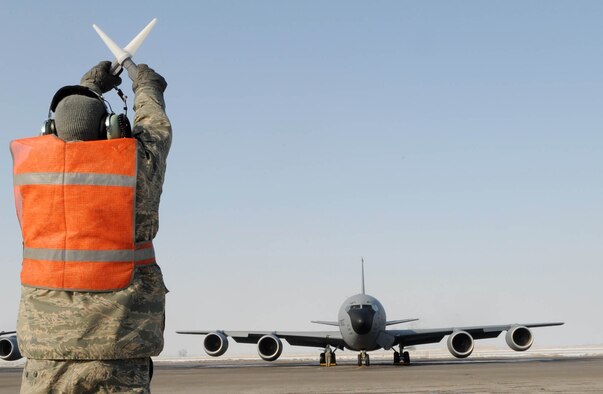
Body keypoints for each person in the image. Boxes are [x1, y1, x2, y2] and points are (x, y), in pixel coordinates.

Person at [11, 60, 171, 393]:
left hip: (44, 350)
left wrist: (89, 87)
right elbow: (155, 130)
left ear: (50, 130)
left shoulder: (31, 173)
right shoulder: (133, 169)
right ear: (110, 128)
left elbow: (71, 126)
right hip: (117, 346)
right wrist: (147, 87)